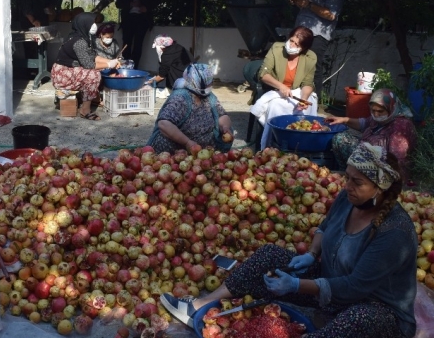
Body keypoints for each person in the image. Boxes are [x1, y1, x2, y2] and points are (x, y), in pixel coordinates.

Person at [161, 142, 416, 338]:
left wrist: (295, 285)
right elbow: (325, 228)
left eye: (357, 181)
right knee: (270, 254)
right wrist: (312, 254)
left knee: (359, 319)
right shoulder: (349, 198)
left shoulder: (394, 232)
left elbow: (353, 287)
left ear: (381, 188)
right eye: (347, 177)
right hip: (331, 289)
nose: (346, 184)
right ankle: (199, 305)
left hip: (376, 309)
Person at [250, 26, 318, 150]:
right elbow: (263, 74)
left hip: (296, 92)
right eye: (291, 40)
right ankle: (272, 144)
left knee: (309, 104)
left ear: (303, 48)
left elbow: (308, 83)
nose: (292, 45)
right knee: (276, 106)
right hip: (275, 90)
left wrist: (303, 99)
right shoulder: (276, 49)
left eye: (296, 44)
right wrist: (281, 86)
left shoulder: (310, 58)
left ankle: (301, 145)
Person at [326, 88, 417, 180]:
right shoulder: (380, 118)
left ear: (391, 108)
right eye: (373, 111)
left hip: (382, 167)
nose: (376, 114)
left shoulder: (401, 126)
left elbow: (397, 160)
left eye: (380, 111)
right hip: (368, 156)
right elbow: (364, 123)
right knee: (340, 139)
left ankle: (360, 179)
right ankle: (348, 174)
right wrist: (344, 120)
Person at [289, 0, 346, 99]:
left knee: (312, 68)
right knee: (295, 66)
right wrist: (298, 2)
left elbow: (331, 15)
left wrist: (308, 4)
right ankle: (295, 98)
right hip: (301, 32)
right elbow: (307, 6)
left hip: (317, 35)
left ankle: (312, 102)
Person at [147, 63, 232, 153]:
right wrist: (187, 142)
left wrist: (225, 127)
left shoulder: (209, 97)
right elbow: (164, 124)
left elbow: (222, 115)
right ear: (195, 82)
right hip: (177, 151)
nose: (210, 85)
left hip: (203, 153)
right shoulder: (181, 98)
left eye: (210, 82)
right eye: (208, 83)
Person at [51, 12, 120, 121]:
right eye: (91, 23)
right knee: (94, 74)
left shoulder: (83, 37)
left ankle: (90, 99)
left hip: (70, 70)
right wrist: (109, 64)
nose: (94, 26)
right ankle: (85, 110)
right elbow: (89, 65)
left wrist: (111, 61)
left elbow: (94, 56)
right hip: (63, 75)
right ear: (84, 24)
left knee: (96, 71)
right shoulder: (79, 42)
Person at [114, 0, 160, 65]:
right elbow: (118, 3)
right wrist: (130, 4)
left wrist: (146, 8)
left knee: (138, 45)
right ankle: (125, 67)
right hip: (128, 19)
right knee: (126, 44)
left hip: (142, 18)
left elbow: (156, 0)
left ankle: (134, 68)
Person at [146, 34, 192, 98]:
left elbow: (161, 76)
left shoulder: (167, 55)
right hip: (191, 79)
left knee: (163, 72)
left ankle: (167, 90)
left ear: (161, 47)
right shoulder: (178, 47)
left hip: (181, 82)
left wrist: (148, 82)